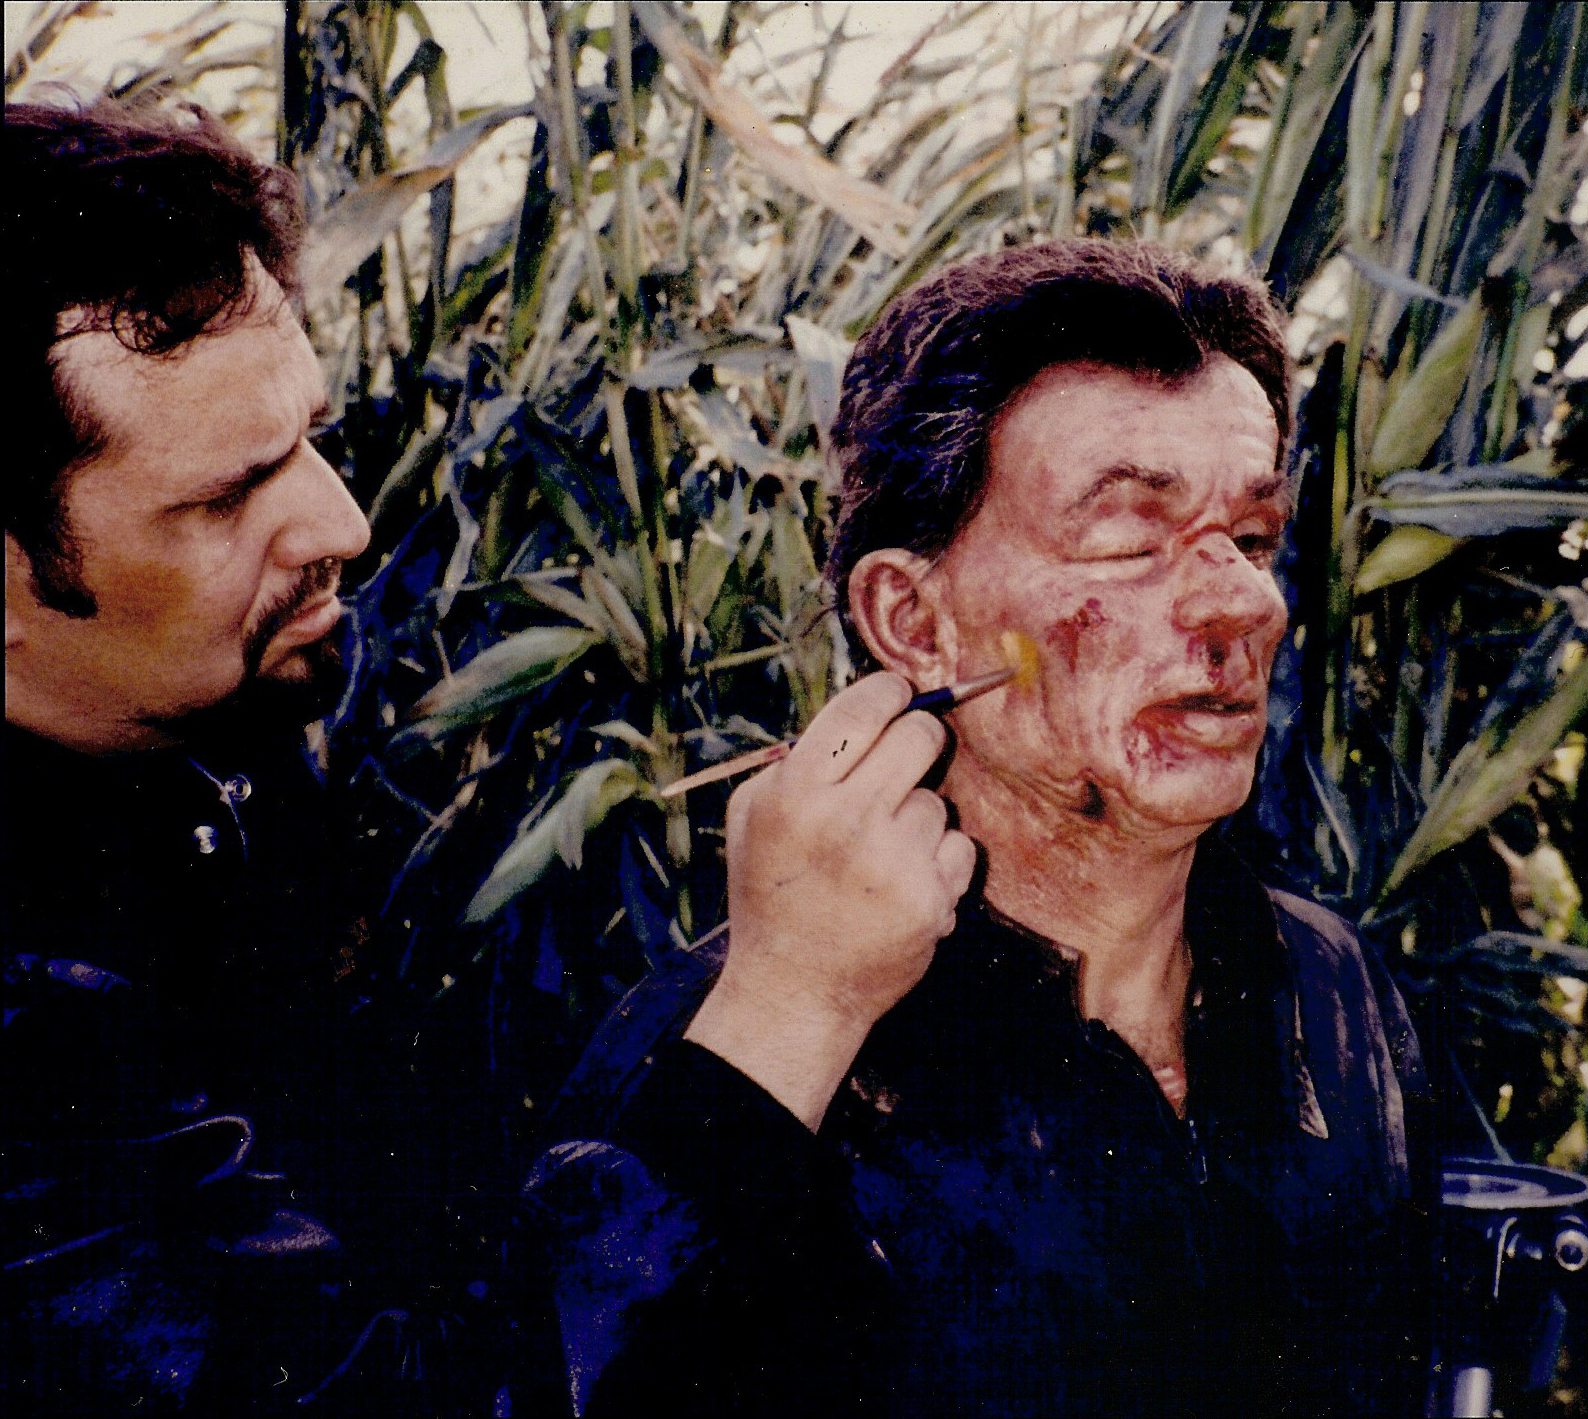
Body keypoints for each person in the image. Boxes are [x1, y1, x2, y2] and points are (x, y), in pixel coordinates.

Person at [527, 241, 1437, 1416]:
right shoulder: (742, 1066)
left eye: (1253, 539)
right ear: (912, 620)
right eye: (1127, 539)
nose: (1243, 602)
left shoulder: (1333, 989)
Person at [3, 98, 500, 1415]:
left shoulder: (212, 748)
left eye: (311, 440)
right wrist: (769, 1022)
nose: (340, 521)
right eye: (227, 496)